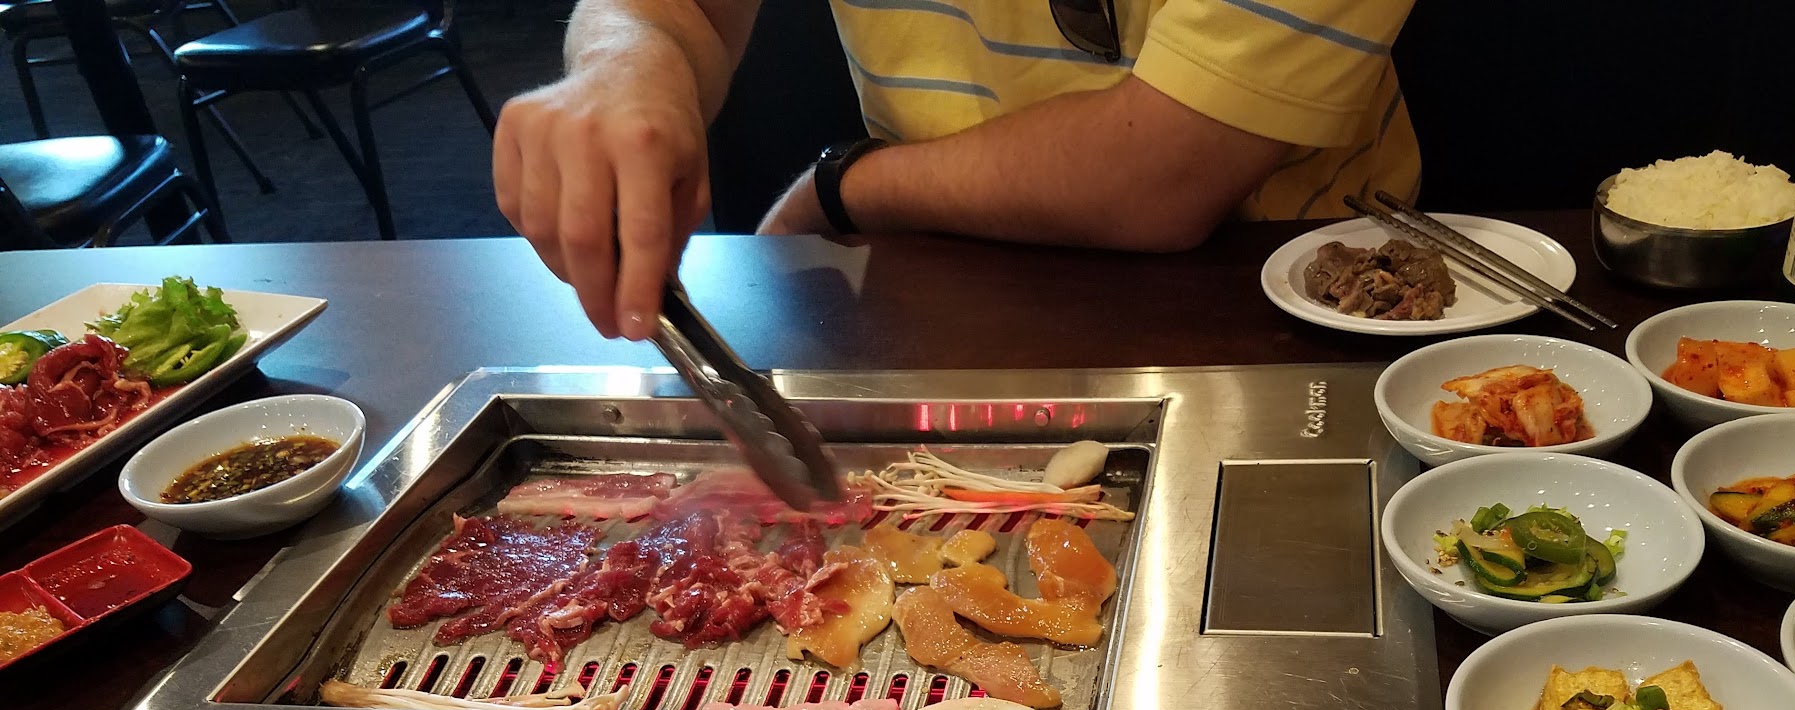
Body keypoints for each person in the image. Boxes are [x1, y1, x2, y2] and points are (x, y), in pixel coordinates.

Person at [494, 0, 1418, 342]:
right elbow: (679, 10)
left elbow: (1162, 171)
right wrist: (628, 61)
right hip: (933, 278)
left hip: (1282, 296)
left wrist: (842, 189)